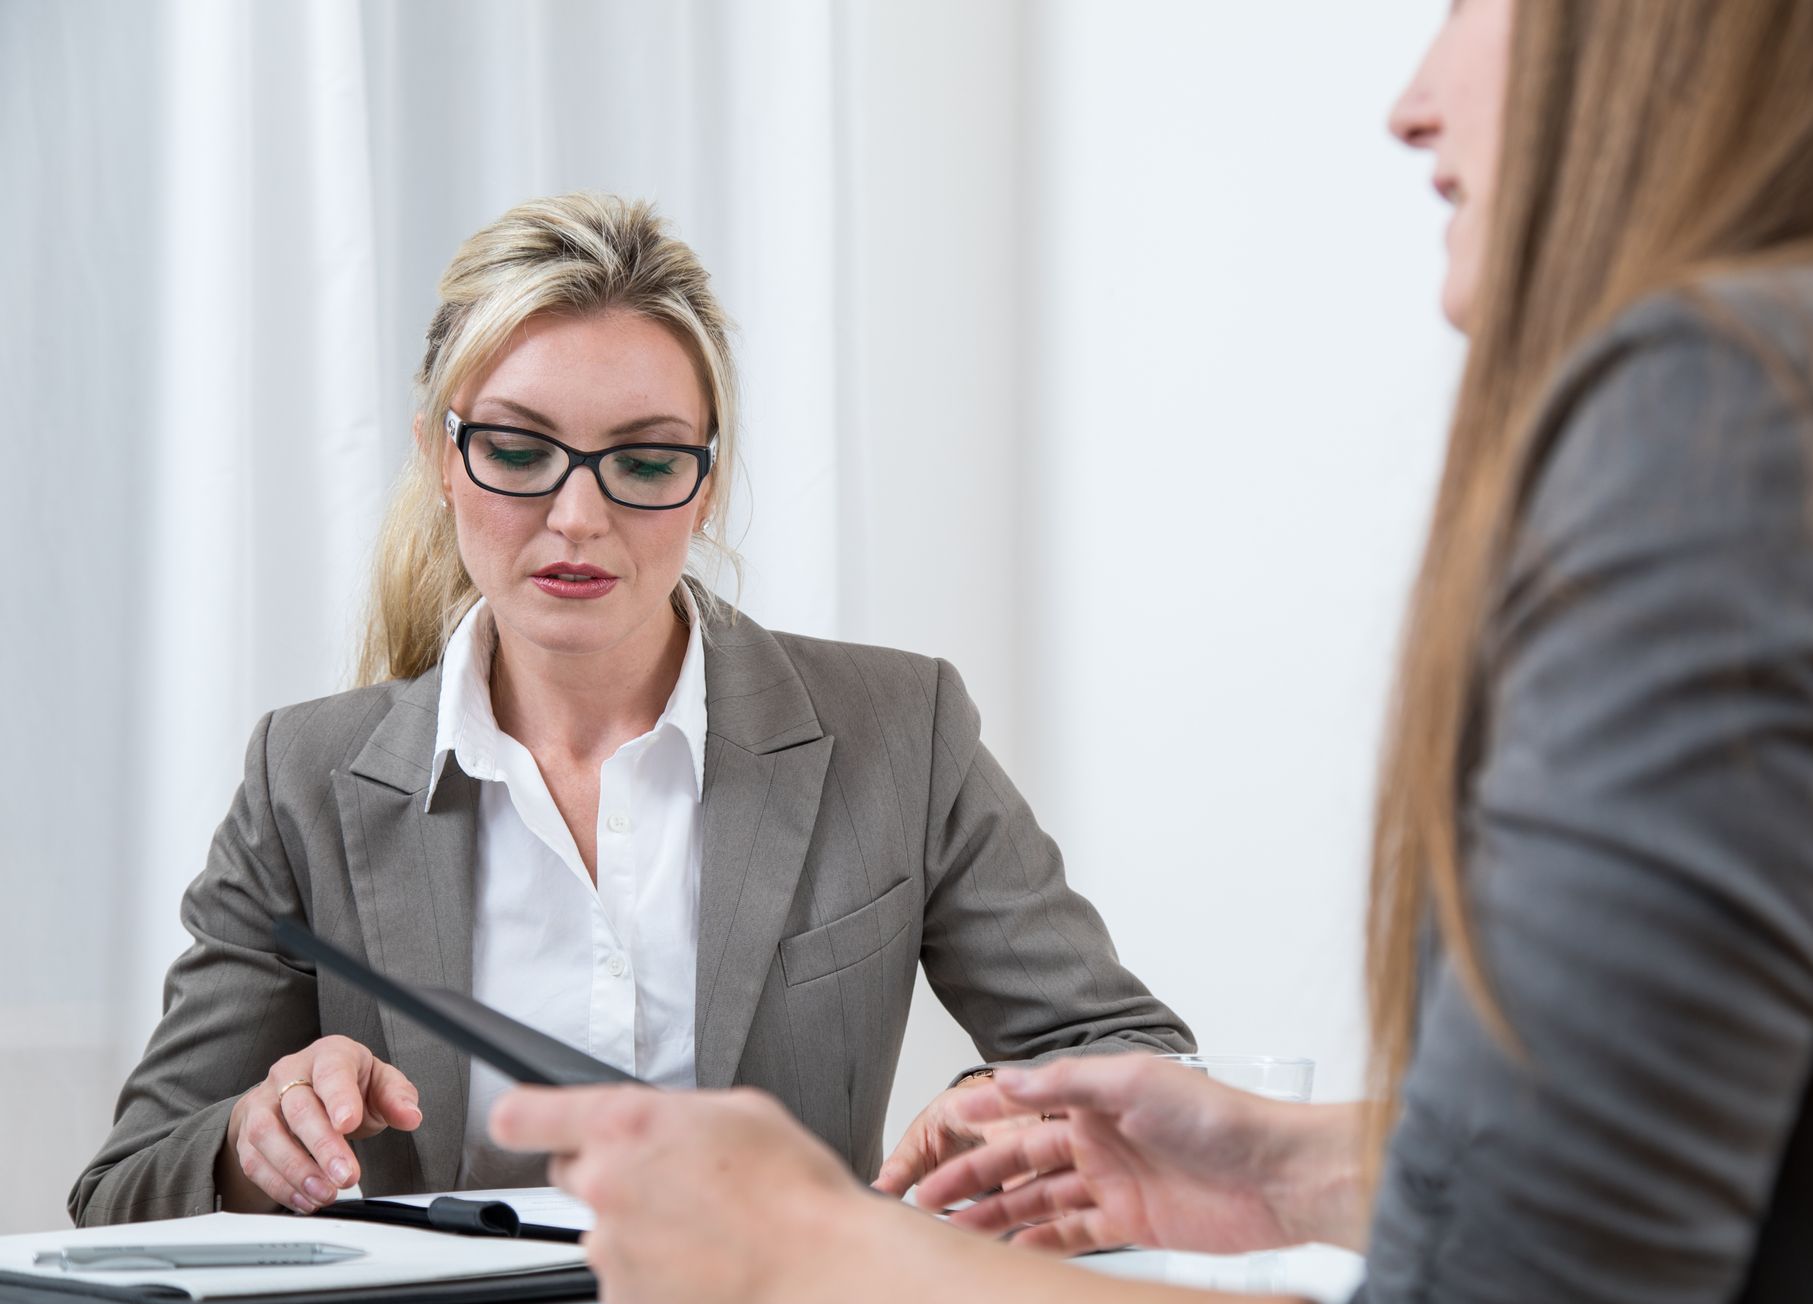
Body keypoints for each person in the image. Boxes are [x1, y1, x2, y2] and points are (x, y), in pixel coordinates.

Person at [489, 0, 1813, 1304]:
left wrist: (813, 1270)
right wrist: (1303, 1170)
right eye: (520, 449)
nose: (1412, 99)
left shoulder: (1739, 414)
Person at [69, 192, 1192, 1227]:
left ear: (705, 479)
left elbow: (1129, 1053)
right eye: (516, 450)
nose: (575, 517)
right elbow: (123, 1189)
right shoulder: (305, 778)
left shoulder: (900, 727)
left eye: (644, 463)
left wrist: (1002, 1106)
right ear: (440, 460)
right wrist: (249, 1141)